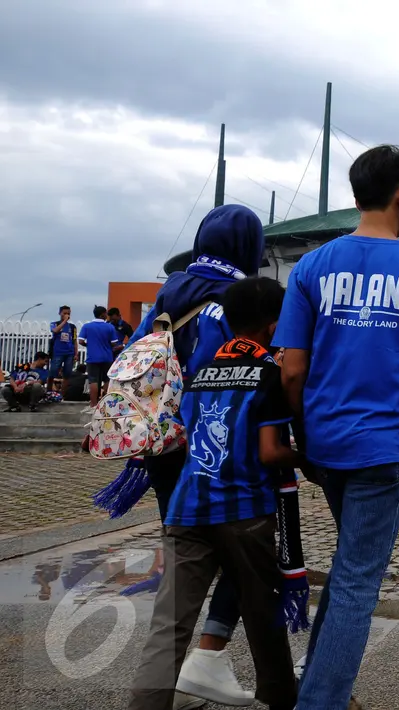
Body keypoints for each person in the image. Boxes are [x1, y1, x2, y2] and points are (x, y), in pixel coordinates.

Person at [272, 144, 399, 709]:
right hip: (385, 450)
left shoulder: (312, 266)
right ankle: (321, 703)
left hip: (325, 446)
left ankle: (317, 686)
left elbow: (292, 367)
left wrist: (302, 435)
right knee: (360, 580)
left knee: (348, 569)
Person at [93, 204, 268, 707]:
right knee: (247, 556)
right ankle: (209, 658)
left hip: (162, 449)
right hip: (215, 451)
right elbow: (231, 377)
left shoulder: (168, 293)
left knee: (185, 561)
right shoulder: (229, 300)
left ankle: (173, 677)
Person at [127, 277, 299, 710]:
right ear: (274, 326)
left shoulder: (200, 372)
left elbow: (188, 433)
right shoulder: (270, 375)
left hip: (187, 507)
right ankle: (282, 699)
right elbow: (270, 450)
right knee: (263, 616)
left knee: (169, 626)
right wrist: (312, 462)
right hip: (243, 512)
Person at [79, 305, 121, 410]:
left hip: (92, 358)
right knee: (107, 380)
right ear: (103, 314)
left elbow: (80, 341)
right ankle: (105, 404)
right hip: (107, 357)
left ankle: (93, 405)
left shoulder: (87, 326)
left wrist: (89, 345)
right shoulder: (110, 327)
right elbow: (114, 343)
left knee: (93, 381)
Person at [48, 306, 77, 390]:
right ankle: (49, 392)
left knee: (67, 374)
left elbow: (74, 340)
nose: (66, 315)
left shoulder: (72, 327)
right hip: (58, 352)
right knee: (52, 373)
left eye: (68, 313)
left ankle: (63, 395)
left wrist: (76, 353)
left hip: (69, 353)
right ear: (60, 313)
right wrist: (64, 321)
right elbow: (55, 330)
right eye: (64, 313)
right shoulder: (54, 324)